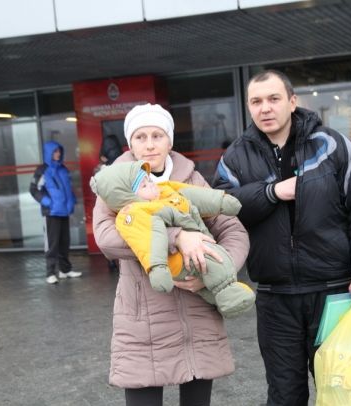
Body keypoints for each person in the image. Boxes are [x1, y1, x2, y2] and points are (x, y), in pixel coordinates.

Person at [212, 70, 351, 406]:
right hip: (275, 298)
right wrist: (272, 192)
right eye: (256, 101)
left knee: (342, 391)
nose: (265, 108)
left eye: (273, 99)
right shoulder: (235, 157)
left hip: (334, 293)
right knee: (284, 395)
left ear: (292, 102)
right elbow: (221, 208)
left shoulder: (332, 145)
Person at [92, 103, 249, 406]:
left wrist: (216, 271)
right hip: (143, 320)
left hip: (197, 314)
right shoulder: (115, 182)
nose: (149, 144)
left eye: (157, 135)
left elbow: (234, 231)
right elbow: (107, 239)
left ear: (170, 141)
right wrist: (178, 236)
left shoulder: (192, 179)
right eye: (140, 137)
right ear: (130, 144)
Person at [90, 159, 255, 318]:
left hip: (198, 299)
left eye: (149, 180)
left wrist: (220, 201)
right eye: (144, 185)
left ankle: (224, 300)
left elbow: (192, 194)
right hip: (178, 262)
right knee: (211, 259)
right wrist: (163, 258)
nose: (150, 145)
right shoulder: (134, 212)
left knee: (210, 273)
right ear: (127, 196)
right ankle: (228, 290)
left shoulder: (166, 189)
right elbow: (147, 241)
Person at [29, 140, 81, 284]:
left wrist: (71, 201)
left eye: (59, 151)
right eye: (55, 151)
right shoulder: (42, 170)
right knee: (52, 244)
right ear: (49, 153)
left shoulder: (63, 169)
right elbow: (34, 189)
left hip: (64, 211)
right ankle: (50, 273)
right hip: (51, 212)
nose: (58, 154)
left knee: (64, 243)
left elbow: (68, 188)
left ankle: (64, 270)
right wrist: (47, 202)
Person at [94, 134, 124, 272]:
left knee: (109, 233)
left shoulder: (102, 168)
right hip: (124, 203)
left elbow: (97, 188)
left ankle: (111, 261)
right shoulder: (125, 162)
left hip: (108, 204)